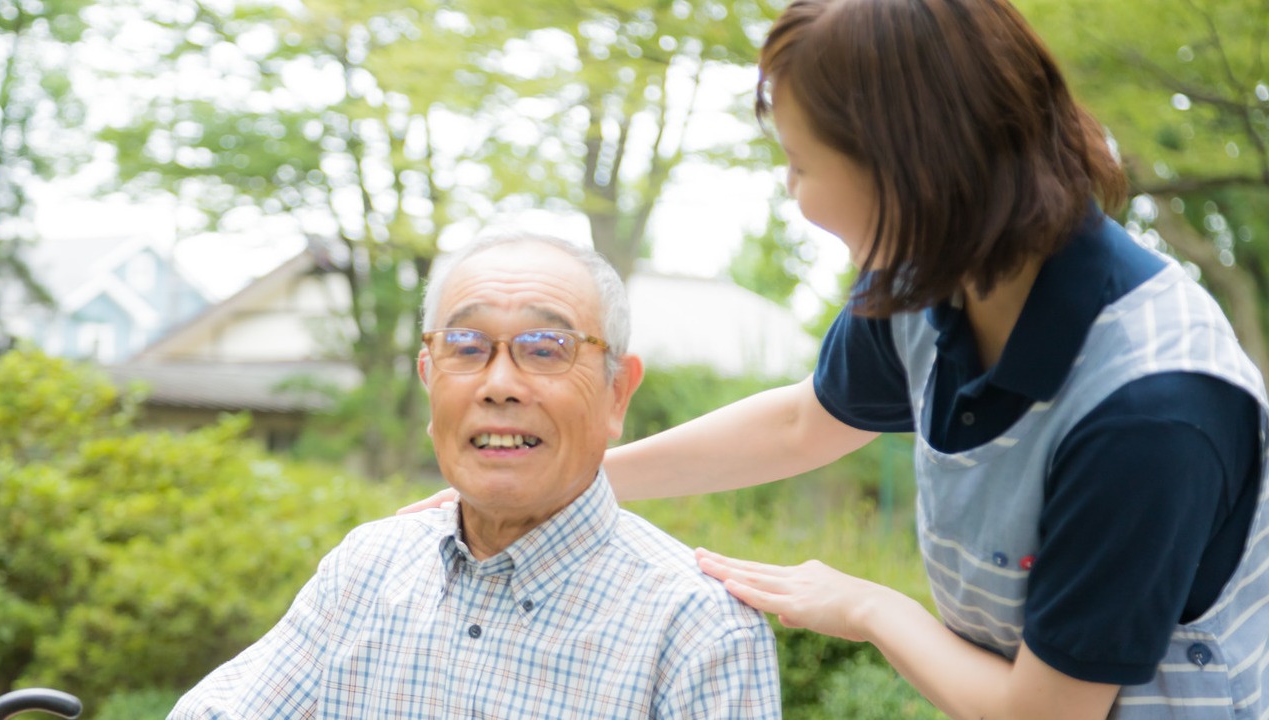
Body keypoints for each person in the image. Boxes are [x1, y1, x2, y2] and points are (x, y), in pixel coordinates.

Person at [402, 1, 1269, 718]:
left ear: (910, 171)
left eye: (800, 163)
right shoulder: (936, 276)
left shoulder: (1151, 410)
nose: (793, 192)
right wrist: (575, 481)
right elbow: (804, 422)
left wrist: (866, 607)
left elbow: (1043, 712)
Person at [171, 233, 781, 719]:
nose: (499, 385)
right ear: (428, 378)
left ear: (617, 392)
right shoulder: (367, 569)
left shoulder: (699, 632)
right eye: (465, 346)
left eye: (545, 348)